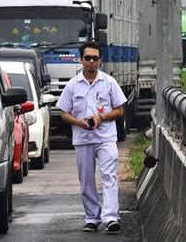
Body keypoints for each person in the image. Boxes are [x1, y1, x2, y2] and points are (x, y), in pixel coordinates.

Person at [56, 41, 127, 233]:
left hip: (105, 138)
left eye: (95, 58)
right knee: (86, 180)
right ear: (81, 60)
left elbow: (119, 110)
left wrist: (101, 117)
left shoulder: (109, 83)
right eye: (87, 58)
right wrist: (78, 122)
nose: (91, 62)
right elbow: (63, 112)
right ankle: (92, 218)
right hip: (82, 139)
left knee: (109, 176)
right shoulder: (72, 85)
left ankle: (111, 217)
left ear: (100, 61)